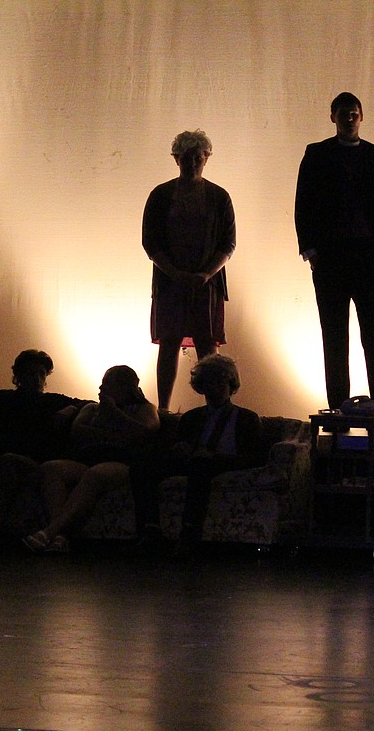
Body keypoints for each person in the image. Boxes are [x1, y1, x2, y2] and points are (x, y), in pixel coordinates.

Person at [295, 92, 374, 410]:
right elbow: (304, 202)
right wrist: (311, 250)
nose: (349, 118)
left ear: (361, 117)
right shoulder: (316, 154)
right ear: (333, 117)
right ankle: (339, 407)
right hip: (332, 259)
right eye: (343, 114)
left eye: (353, 113)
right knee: (335, 337)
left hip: (368, 257)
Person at [130, 354, 263, 554]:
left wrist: (214, 457)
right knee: (142, 468)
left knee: (201, 464)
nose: (215, 389)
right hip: (194, 461)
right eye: (209, 383)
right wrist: (180, 449)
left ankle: (190, 532)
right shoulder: (192, 418)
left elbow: (255, 456)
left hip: (224, 463)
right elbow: (177, 447)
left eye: (220, 383)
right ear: (202, 386)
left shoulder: (247, 418)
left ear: (230, 384)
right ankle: (150, 530)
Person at [143, 129, 236, 412]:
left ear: (206, 158)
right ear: (176, 159)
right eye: (186, 157)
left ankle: (216, 408)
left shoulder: (219, 197)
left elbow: (228, 243)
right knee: (168, 343)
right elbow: (150, 242)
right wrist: (175, 273)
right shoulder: (160, 195)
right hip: (170, 283)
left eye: (198, 157)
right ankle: (164, 409)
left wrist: (205, 274)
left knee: (207, 346)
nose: (192, 163)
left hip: (206, 284)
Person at [23, 366, 160, 553]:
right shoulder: (91, 408)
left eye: (108, 384)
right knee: (51, 468)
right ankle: (61, 537)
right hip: (88, 459)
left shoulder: (144, 409)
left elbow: (145, 432)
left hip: (123, 463)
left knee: (95, 474)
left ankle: (49, 532)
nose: (101, 389)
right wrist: (115, 434)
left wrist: (114, 414)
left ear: (125, 387)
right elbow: (78, 431)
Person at [0, 349, 91, 462]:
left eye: (41, 374)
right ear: (19, 376)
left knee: (9, 461)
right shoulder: (2, 398)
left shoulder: (52, 401)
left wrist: (71, 408)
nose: (37, 379)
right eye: (31, 373)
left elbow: (91, 404)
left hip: (30, 461)